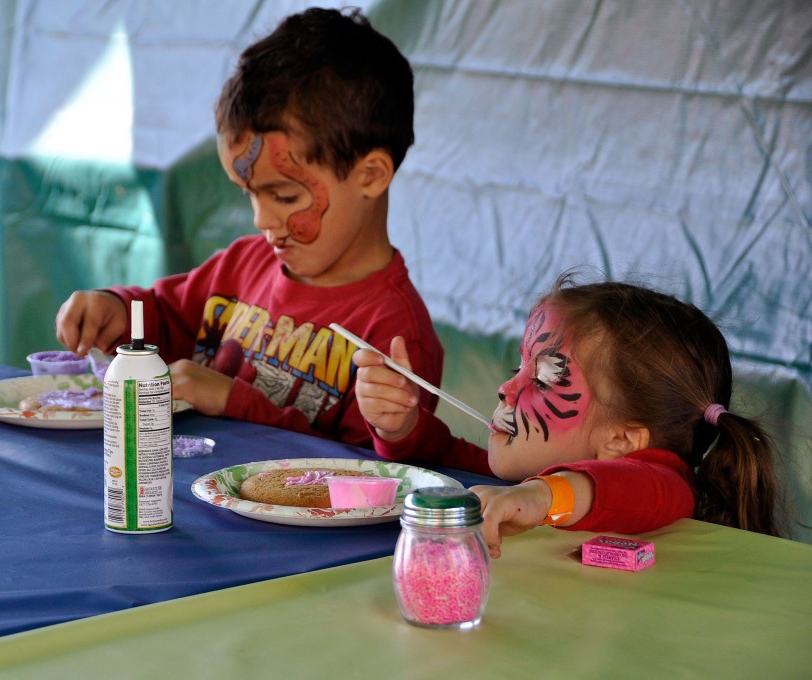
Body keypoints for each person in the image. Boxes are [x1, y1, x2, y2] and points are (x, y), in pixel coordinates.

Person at [55, 8, 443, 447]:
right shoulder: (243, 265)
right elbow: (165, 316)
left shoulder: (395, 336)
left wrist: (234, 401)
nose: (262, 220)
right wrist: (117, 311)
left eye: (285, 196)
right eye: (249, 194)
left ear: (370, 175)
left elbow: (365, 480)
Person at [354, 275, 782, 557]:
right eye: (516, 368)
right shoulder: (526, 474)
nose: (506, 389)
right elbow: (450, 464)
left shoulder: (666, 487)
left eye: (541, 380)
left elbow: (639, 485)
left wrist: (543, 497)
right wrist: (403, 428)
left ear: (621, 441)